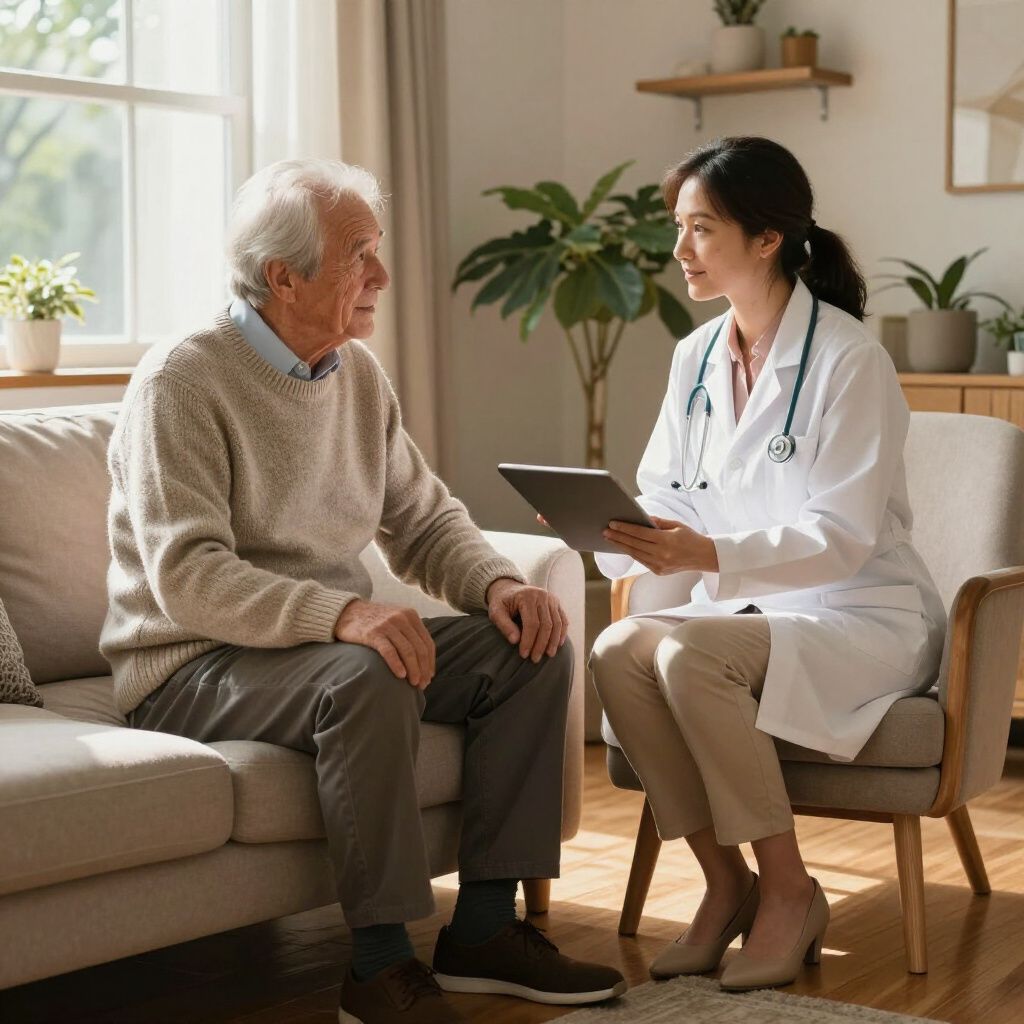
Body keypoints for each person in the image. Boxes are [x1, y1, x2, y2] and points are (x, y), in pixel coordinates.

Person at [100, 158, 625, 1024]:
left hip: (317, 648)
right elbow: (187, 576)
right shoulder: (182, 380)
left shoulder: (355, 374)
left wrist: (496, 583)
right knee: (369, 670)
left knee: (530, 644)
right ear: (283, 276)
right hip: (191, 666)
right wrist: (341, 614)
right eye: (359, 255)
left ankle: (485, 932)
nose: (382, 274)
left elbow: (420, 518)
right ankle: (378, 968)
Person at [589, 137, 945, 993]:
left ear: (766, 239)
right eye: (680, 228)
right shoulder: (696, 357)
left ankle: (790, 890)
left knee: (687, 652)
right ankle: (726, 884)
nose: (680, 250)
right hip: (749, 611)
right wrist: (617, 529)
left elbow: (843, 536)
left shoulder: (850, 359)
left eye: (701, 229)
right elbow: (665, 493)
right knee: (616, 651)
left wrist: (706, 554)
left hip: (861, 612)